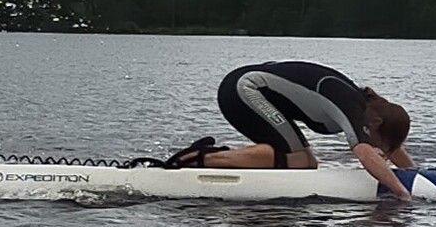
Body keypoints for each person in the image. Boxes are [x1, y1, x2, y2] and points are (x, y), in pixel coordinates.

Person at [167, 60, 415, 200]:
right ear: (376, 125)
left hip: (257, 91)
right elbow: (364, 154)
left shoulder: (372, 112)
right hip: (243, 90)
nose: (382, 153)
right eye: (381, 147)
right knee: (297, 162)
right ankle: (200, 157)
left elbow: (390, 147)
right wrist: (403, 194)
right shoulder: (354, 109)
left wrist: (416, 173)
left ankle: (212, 157)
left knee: (306, 163)